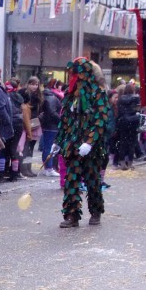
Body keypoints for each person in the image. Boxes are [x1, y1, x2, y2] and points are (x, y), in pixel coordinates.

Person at [57, 57, 110, 228]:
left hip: (90, 147)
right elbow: (65, 119)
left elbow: (100, 120)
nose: (73, 77)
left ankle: (95, 212)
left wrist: (90, 142)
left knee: (92, 179)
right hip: (72, 143)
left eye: (75, 73)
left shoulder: (97, 93)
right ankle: (71, 215)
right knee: (71, 179)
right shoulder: (70, 94)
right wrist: (58, 141)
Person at [20, 76, 42, 177]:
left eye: (36, 84)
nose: (34, 86)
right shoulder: (24, 93)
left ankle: (28, 167)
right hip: (27, 123)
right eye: (32, 84)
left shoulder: (38, 95)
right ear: (28, 84)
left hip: (35, 123)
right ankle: (24, 168)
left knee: (31, 147)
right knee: (26, 147)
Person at [115, 80, 140, 170]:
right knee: (132, 142)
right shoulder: (136, 97)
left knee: (123, 142)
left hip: (123, 121)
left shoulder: (121, 98)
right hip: (133, 121)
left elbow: (119, 111)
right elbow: (137, 109)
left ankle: (122, 161)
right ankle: (130, 162)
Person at [39, 79, 62, 176]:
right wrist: (60, 121)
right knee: (49, 147)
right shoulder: (52, 97)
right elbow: (52, 112)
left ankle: (47, 167)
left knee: (47, 146)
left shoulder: (46, 96)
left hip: (47, 124)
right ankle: (49, 168)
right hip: (52, 125)